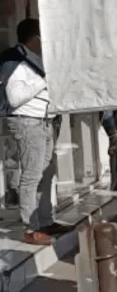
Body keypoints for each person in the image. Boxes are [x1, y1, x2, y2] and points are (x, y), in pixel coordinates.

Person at [3, 19, 66, 245]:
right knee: (31, 175)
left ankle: (45, 220)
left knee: (46, 172)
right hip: (27, 122)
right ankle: (31, 229)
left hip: (44, 121)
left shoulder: (35, 59)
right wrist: (43, 82)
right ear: (34, 38)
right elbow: (15, 97)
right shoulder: (16, 62)